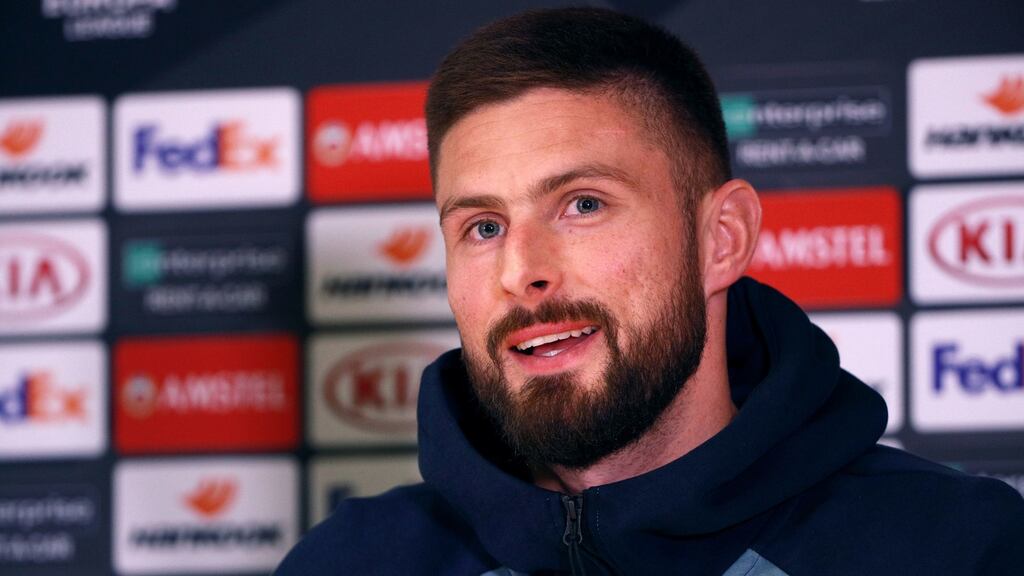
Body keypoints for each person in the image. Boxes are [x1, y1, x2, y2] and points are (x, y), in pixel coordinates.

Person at [278, 7, 1024, 575]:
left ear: (720, 239)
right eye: (482, 227)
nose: (519, 272)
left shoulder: (957, 546)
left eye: (583, 205)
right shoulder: (355, 560)